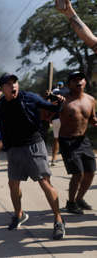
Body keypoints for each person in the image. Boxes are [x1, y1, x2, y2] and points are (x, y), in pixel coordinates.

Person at [0, 73, 66, 240]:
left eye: (14, 82)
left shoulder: (29, 97)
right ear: (2, 89)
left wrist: (59, 101)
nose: (13, 86)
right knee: (13, 184)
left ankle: (58, 219)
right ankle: (19, 214)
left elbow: (52, 108)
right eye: (8, 84)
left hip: (33, 144)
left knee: (44, 182)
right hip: (14, 149)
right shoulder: (1, 104)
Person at [59, 71, 96, 214]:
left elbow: (92, 118)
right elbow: (48, 114)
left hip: (83, 140)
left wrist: (95, 122)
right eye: (74, 80)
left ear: (85, 82)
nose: (79, 82)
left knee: (91, 172)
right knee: (78, 174)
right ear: (69, 84)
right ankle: (71, 202)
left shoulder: (91, 100)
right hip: (67, 141)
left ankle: (79, 198)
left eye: (81, 79)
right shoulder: (64, 101)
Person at [49, 81, 67, 166]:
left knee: (56, 139)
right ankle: (68, 158)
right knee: (67, 138)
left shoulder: (53, 93)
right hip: (64, 118)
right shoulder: (66, 92)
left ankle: (53, 159)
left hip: (55, 119)